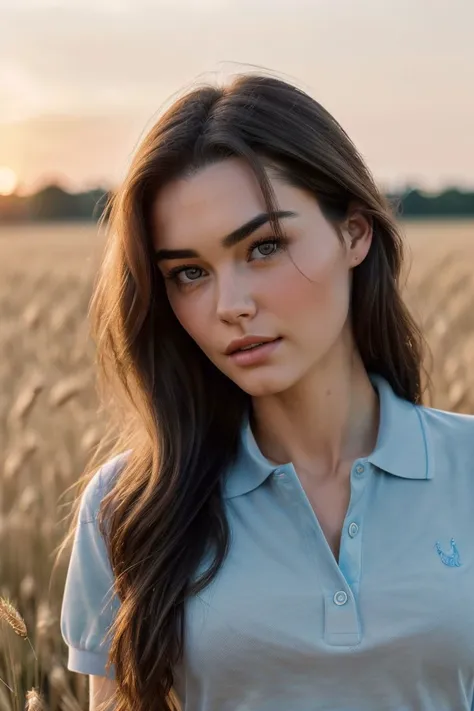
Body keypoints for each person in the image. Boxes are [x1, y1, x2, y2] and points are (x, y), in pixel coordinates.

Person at [57, 72, 474, 711]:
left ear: (355, 233)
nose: (230, 306)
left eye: (264, 246)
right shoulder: (130, 510)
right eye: (188, 273)